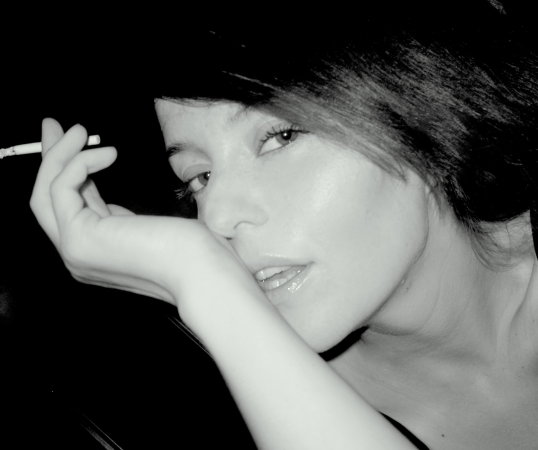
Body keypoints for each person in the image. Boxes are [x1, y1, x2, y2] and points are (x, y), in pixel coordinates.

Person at [30, 2, 538, 448]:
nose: (216, 218)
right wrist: (200, 278)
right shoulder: (270, 405)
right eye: (199, 177)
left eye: (280, 137)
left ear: (420, 105)